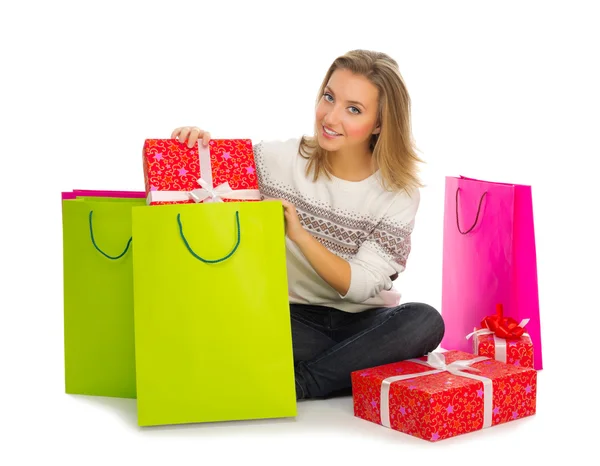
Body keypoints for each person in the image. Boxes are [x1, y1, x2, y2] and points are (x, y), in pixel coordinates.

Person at [171, 49, 445, 400]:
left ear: (379, 124)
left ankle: (300, 384)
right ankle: (349, 369)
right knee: (217, 320)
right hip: (289, 318)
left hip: (362, 323)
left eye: (354, 109)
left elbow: (361, 286)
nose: (330, 117)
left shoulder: (398, 193)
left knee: (424, 321)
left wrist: (299, 235)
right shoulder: (277, 160)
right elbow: (205, 190)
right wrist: (196, 148)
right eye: (329, 97)